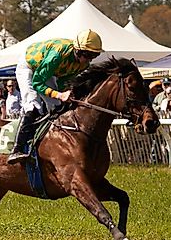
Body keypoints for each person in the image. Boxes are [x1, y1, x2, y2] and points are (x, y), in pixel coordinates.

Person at [7, 29, 103, 164]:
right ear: (78, 50)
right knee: (33, 105)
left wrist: (65, 92)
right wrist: (59, 94)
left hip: (48, 71)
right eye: (87, 55)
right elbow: (37, 82)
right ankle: (17, 149)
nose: (89, 60)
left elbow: (63, 81)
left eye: (94, 56)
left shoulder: (83, 64)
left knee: (57, 107)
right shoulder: (57, 55)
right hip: (29, 66)